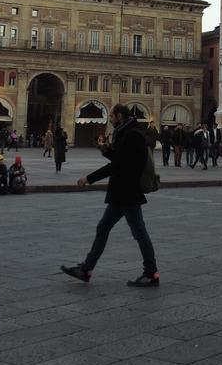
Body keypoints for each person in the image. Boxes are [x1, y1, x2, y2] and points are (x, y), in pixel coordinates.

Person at [60, 103, 159, 287]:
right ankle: (86, 269)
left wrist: (89, 178)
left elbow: (119, 165)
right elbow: (121, 160)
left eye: (112, 117)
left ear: (119, 116)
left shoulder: (131, 135)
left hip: (127, 192)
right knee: (104, 228)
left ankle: (151, 273)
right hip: (122, 192)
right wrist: (106, 150)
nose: (110, 120)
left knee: (139, 232)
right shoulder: (127, 132)